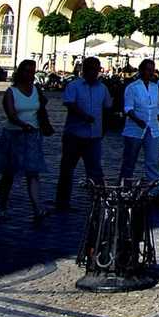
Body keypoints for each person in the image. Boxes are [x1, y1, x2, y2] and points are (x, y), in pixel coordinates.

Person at [0, 59, 50, 220]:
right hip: (14, 135)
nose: (30, 74)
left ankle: (37, 208)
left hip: (33, 135)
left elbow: (41, 106)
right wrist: (22, 125)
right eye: (27, 71)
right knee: (8, 173)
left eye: (32, 71)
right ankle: (2, 206)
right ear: (20, 72)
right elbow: (10, 114)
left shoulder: (36, 89)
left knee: (33, 172)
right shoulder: (12, 91)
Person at [55, 56, 109, 212]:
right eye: (91, 69)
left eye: (96, 69)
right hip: (74, 133)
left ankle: (99, 201)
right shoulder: (74, 86)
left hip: (94, 135)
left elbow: (107, 108)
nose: (94, 72)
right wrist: (84, 116)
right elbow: (69, 104)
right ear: (84, 70)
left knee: (95, 170)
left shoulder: (102, 88)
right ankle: (62, 202)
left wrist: (104, 128)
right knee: (67, 169)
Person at [119, 58, 159, 197]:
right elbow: (128, 108)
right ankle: (124, 188)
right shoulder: (132, 88)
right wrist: (137, 120)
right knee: (129, 161)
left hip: (153, 128)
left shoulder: (154, 87)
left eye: (152, 70)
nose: (150, 72)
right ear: (141, 70)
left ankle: (157, 189)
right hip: (135, 129)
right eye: (148, 69)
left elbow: (158, 107)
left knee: (152, 161)